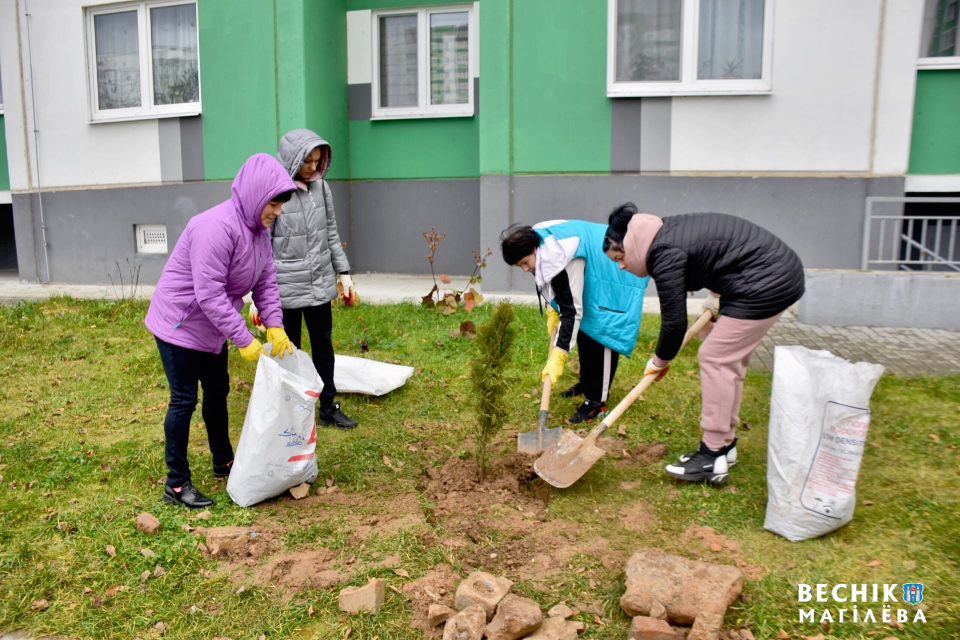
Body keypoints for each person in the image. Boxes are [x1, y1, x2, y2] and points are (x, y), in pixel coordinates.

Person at [603, 203, 805, 484]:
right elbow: (718, 249)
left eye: (619, 257)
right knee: (728, 361)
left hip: (766, 281)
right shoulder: (663, 232)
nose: (622, 266)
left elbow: (674, 323)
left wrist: (659, 361)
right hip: (765, 273)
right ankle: (724, 446)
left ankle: (711, 456)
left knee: (715, 357)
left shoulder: (663, 253)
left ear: (631, 244)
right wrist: (716, 294)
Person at [145, 153, 297, 509]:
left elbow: (266, 281)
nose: (277, 212)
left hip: (212, 326)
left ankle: (224, 461)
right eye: (273, 203)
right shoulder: (215, 227)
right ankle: (177, 484)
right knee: (184, 399)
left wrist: (275, 326)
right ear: (256, 195)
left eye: (279, 205)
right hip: (179, 324)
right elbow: (208, 293)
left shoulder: (259, 231)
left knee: (217, 391)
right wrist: (243, 338)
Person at [249, 129, 358, 429]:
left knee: (324, 347)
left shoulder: (321, 188)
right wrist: (257, 299)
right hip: (284, 290)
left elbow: (331, 232)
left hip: (320, 285)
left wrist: (343, 272)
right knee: (290, 350)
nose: (312, 167)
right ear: (292, 158)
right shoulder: (276, 190)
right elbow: (263, 244)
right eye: (306, 161)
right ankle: (293, 412)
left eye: (317, 160)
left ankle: (328, 406)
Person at [501, 220, 648, 423]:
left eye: (525, 262)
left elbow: (572, 312)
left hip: (617, 270)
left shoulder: (563, 255)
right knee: (585, 327)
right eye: (520, 267)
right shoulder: (542, 245)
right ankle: (588, 383)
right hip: (597, 268)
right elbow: (558, 287)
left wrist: (559, 356)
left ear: (535, 249)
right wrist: (554, 310)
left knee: (601, 330)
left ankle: (597, 401)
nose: (525, 269)